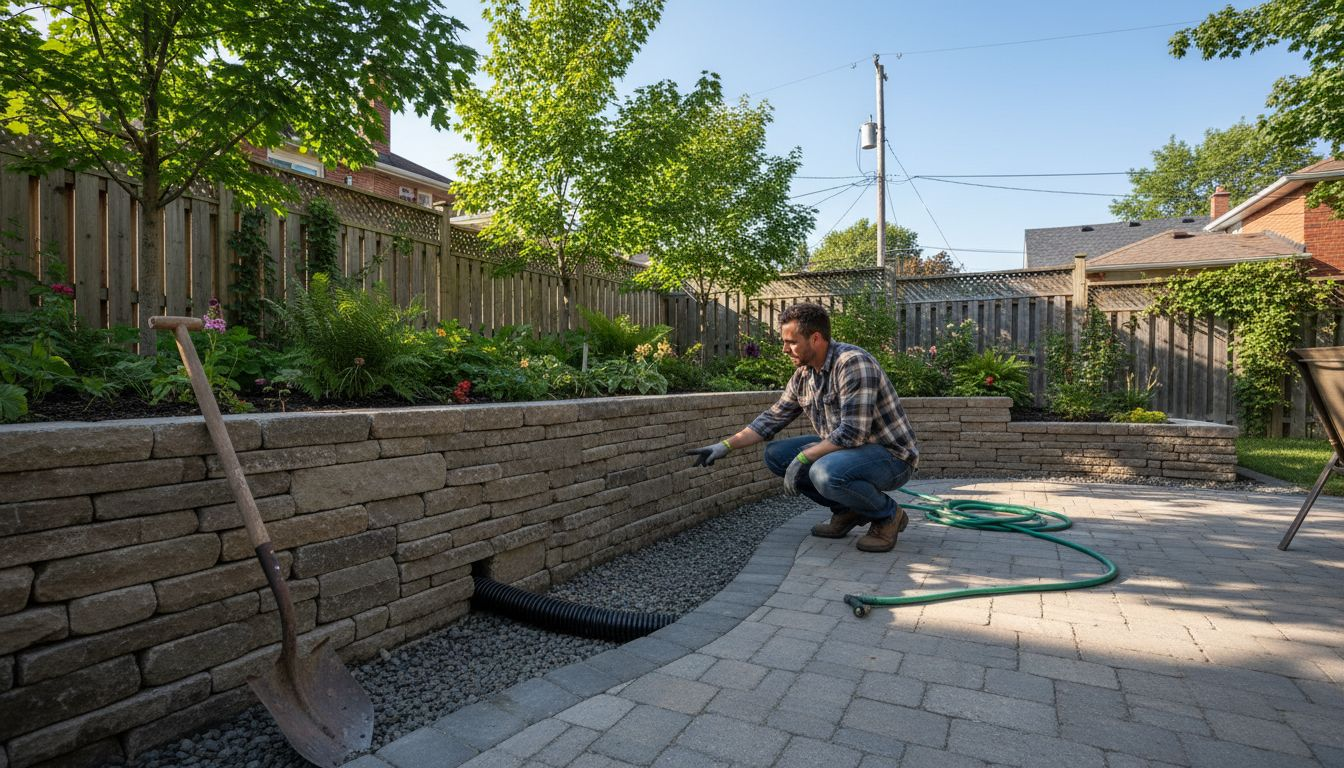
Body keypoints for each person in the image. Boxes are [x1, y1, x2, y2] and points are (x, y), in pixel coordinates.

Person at [686, 302, 918, 552]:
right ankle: (848, 511)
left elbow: (853, 433)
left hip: (891, 457)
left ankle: (888, 516)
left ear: (816, 338)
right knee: (776, 455)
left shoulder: (852, 364)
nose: (785, 349)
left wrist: (804, 457)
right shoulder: (804, 375)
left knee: (823, 472)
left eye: (792, 342)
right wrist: (724, 446)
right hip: (848, 453)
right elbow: (771, 419)